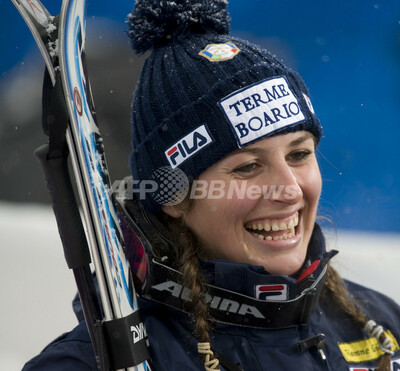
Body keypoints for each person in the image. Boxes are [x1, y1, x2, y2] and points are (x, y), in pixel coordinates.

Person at [23, 0, 400, 370]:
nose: (289, 190)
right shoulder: (97, 361)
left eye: (299, 155)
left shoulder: (381, 322)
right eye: (249, 167)